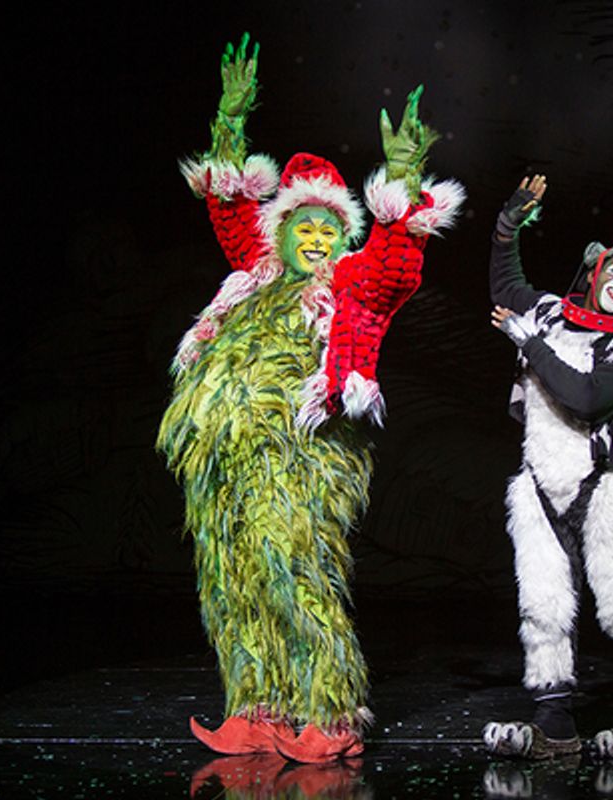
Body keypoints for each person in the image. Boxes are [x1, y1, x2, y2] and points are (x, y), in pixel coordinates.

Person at [157, 34, 463, 764]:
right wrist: (230, 124)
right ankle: (258, 707)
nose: (320, 238)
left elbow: (396, 262)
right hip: (225, 457)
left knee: (294, 573)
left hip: (298, 455)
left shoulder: (352, 282)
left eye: (331, 227)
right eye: (306, 227)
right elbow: (230, 210)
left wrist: (399, 176)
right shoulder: (256, 274)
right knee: (232, 580)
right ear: (282, 234)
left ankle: (331, 711)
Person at [483, 171, 613, 762]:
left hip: (606, 487)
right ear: (595, 274)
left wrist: (533, 347)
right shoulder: (547, 312)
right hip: (539, 485)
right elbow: (506, 283)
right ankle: (554, 723)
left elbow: (588, 399)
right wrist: (507, 226)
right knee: (542, 607)